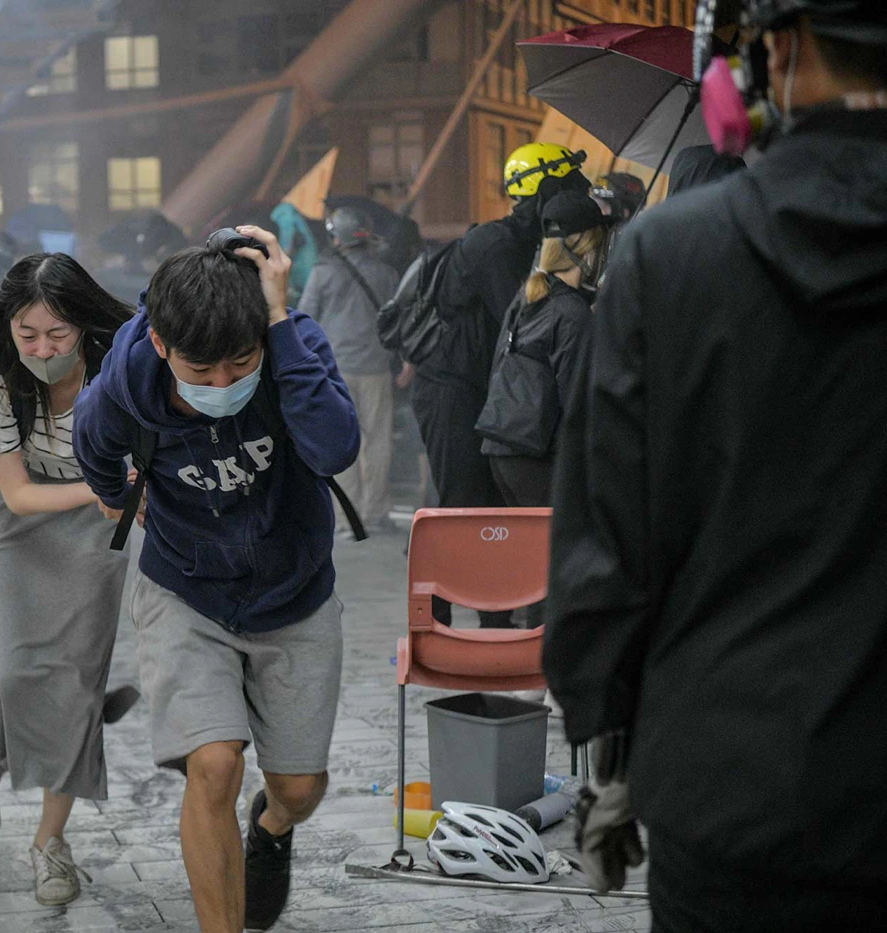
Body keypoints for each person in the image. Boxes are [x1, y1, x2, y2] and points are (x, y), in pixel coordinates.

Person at [544, 2, 887, 929]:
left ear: (780, 48)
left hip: (730, 786)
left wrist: (610, 748)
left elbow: (605, 545)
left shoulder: (671, 254)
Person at [74, 227, 359, 933]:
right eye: (201, 370)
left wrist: (278, 323)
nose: (223, 384)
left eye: (241, 363)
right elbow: (92, 445)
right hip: (186, 591)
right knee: (214, 765)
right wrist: (115, 494)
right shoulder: (126, 382)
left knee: (299, 786)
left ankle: (273, 823)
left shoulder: (295, 343)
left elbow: (335, 447)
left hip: (294, 592)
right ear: (162, 344)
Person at [0, 253, 134, 907]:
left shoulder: (121, 363)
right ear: (8, 327)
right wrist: (105, 492)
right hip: (11, 519)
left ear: (83, 324)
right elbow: (19, 494)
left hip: (92, 533)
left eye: (58, 334)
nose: (43, 348)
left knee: (72, 686)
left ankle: (51, 841)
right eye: (28, 334)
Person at [416, 142, 590, 628]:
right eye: (569, 185)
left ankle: (495, 618)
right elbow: (520, 322)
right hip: (452, 390)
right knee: (462, 504)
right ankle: (435, 618)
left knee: (487, 507)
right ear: (546, 188)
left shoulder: (526, 241)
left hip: (481, 389)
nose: (577, 192)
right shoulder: (499, 245)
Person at [481, 191, 608, 506]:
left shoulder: (529, 296)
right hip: (541, 460)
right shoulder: (572, 314)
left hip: (503, 451)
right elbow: (578, 404)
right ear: (589, 252)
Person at [299, 207, 403, 533]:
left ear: (336, 237)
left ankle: (347, 518)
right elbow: (398, 321)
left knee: (341, 441)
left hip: (335, 371)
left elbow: (304, 320)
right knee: (378, 442)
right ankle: (376, 512)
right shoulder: (387, 273)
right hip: (376, 369)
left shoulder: (322, 273)